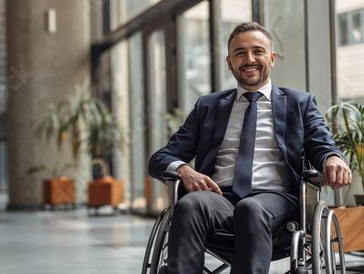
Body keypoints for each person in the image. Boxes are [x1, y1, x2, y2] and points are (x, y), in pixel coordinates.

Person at [148, 22, 352, 274]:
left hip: (278, 201)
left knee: (251, 208)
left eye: (258, 51)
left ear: (272, 58)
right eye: (240, 53)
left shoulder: (299, 103)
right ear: (229, 62)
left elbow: (322, 144)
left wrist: (332, 157)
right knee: (189, 205)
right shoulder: (208, 107)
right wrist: (184, 170)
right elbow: (161, 157)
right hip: (220, 199)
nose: (249, 59)